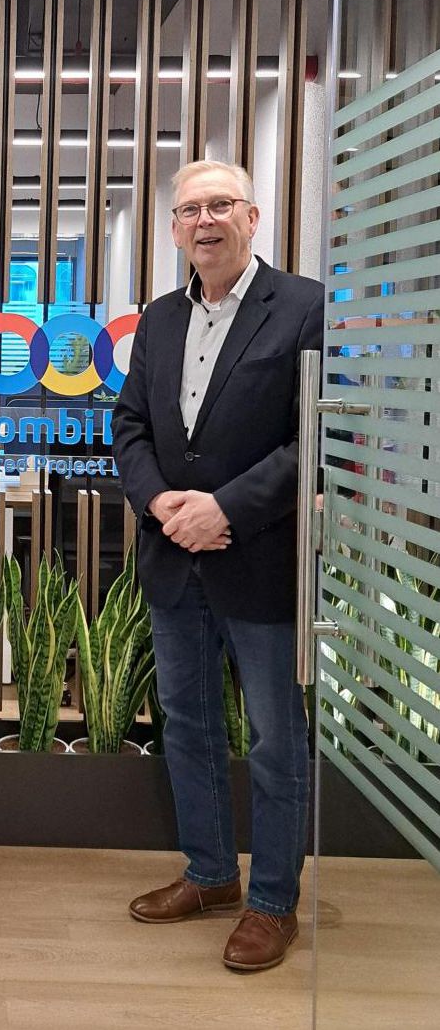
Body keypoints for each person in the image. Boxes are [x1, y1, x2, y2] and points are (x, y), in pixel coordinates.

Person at [112, 160, 323, 971]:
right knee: (189, 723)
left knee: (274, 739)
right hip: (173, 558)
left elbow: (315, 438)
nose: (205, 221)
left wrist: (224, 507)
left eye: (221, 205)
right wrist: (160, 500)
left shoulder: (303, 306)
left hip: (259, 561)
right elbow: (131, 425)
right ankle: (209, 874)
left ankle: (272, 900)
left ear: (252, 216)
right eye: (190, 209)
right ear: (174, 228)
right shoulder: (159, 319)